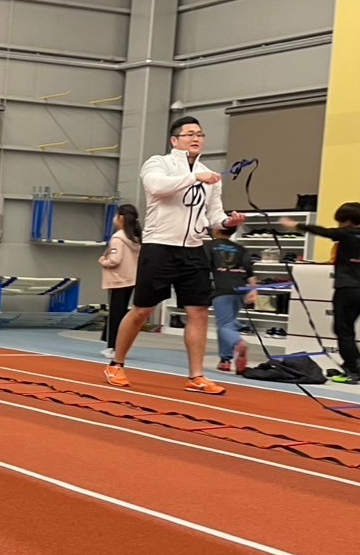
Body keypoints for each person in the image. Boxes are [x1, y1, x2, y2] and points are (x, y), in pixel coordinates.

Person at [106, 116, 245, 394]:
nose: (196, 138)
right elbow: (158, 187)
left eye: (200, 134)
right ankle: (116, 363)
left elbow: (213, 215)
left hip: (194, 250)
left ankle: (196, 376)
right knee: (142, 310)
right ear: (175, 140)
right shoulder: (158, 163)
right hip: (159, 247)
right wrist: (194, 176)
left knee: (199, 311)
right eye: (189, 134)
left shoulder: (210, 176)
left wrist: (228, 222)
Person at [282, 203, 360, 383]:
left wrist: (297, 225)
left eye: (341, 222)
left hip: (346, 288)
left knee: (342, 329)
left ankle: (355, 367)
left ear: (348, 221)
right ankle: (355, 366)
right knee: (346, 329)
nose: (339, 225)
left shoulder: (348, 233)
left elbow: (327, 233)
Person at [207, 225, 256, 373]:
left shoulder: (208, 246)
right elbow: (249, 271)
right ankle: (225, 360)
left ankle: (238, 343)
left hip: (221, 289)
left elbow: (203, 268)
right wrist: (254, 290)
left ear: (216, 230)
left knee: (224, 325)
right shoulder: (240, 249)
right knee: (228, 323)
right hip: (240, 289)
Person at [97, 204, 141, 357]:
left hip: (118, 280)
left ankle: (113, 347)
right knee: (122, 313)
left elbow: (115, 260)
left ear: (120, 218)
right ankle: (116, 346)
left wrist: (103, 261)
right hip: (131, 279)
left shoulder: (118, 238)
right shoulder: (135, 238)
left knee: (116, 313)